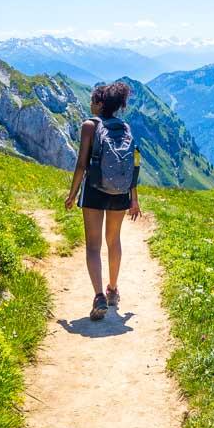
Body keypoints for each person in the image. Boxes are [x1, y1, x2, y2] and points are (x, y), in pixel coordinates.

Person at [64, 81, 141, 320]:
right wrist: (134, 199)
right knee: (114, 240)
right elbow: (134, 163)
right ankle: (113, 290)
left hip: (95, 190)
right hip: (121, 193)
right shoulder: (125, 127)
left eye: (92, 101)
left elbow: (81, 163)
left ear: (99, 103)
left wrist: (73, 193)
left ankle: (98, 296)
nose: (90, 104)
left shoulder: (90, 126)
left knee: (93, 246)